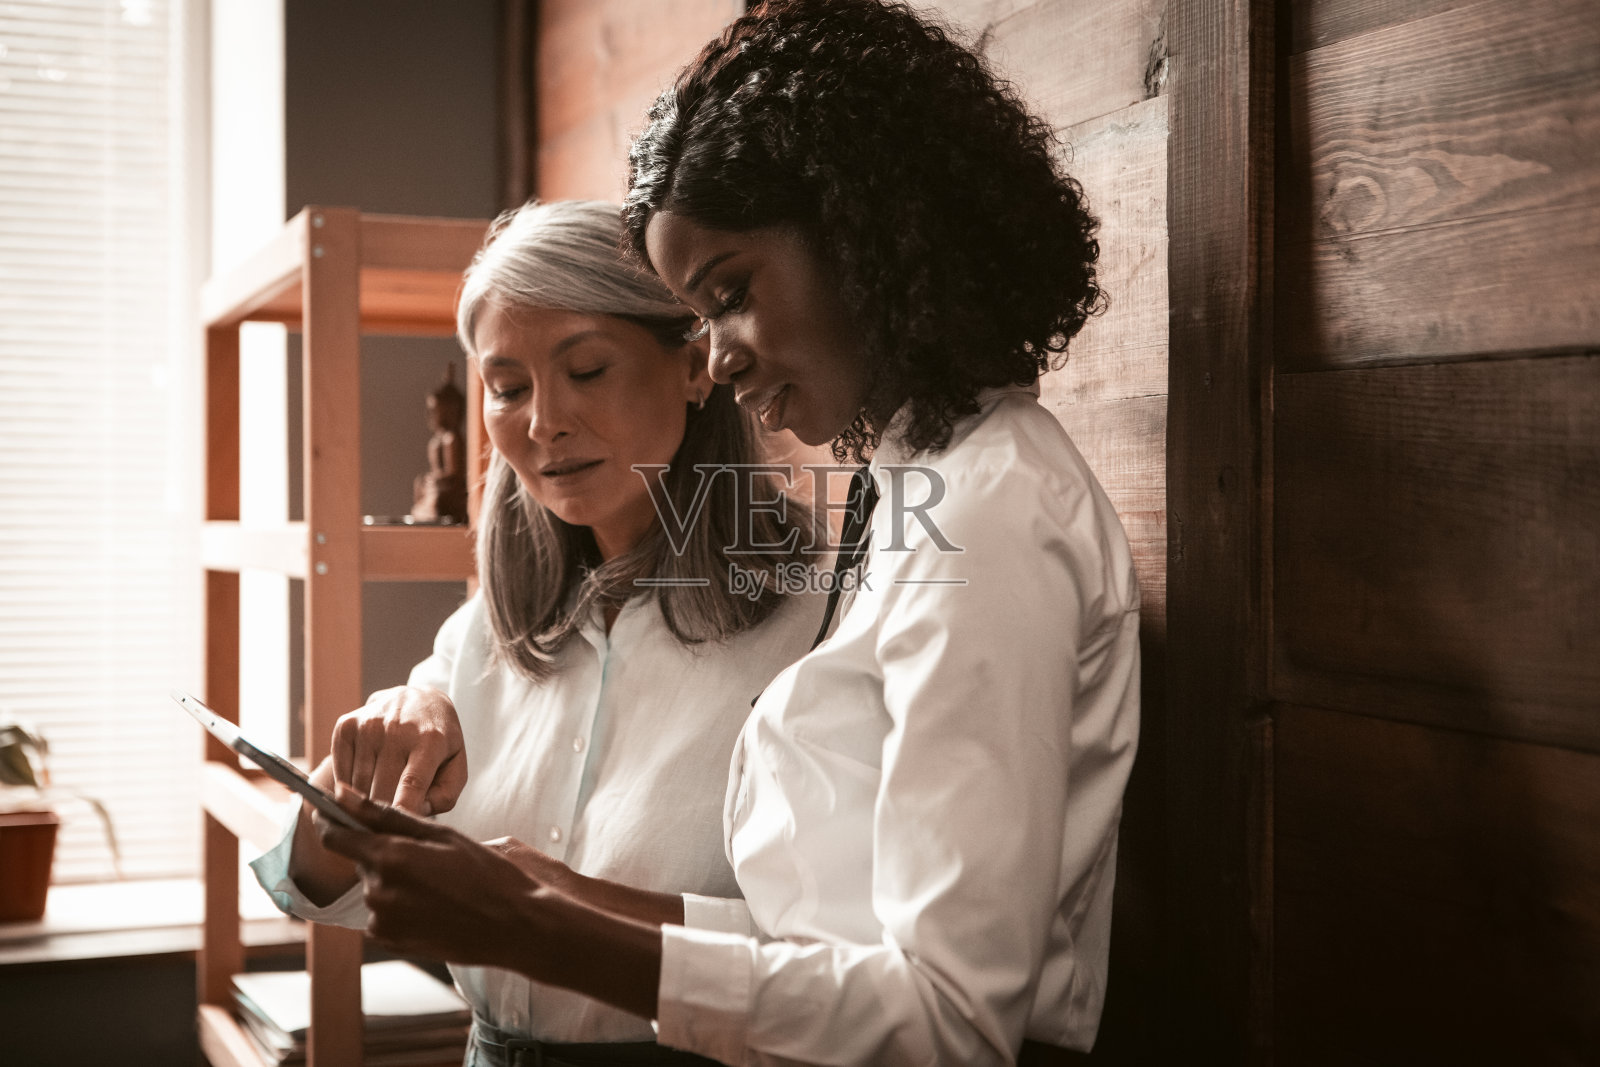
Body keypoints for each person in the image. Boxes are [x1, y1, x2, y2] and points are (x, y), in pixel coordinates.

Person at [315, 1, 1141, 1063]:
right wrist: (547, 891)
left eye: (731, 293)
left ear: (863, 231)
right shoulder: (915, 485)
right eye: (506, 386)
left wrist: (538, 925)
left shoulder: (988, 511)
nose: (718, 356)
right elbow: (817, 935)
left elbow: (950, 1017)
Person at [250, 199, 824, 1065]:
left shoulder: (815, 622)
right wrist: (371, 748)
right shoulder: (486, 633)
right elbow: (307, 882)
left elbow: (833, 962)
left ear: (693, 366)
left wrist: (543, 903)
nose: (543, 421)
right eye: (508, 388)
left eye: (586, 369)